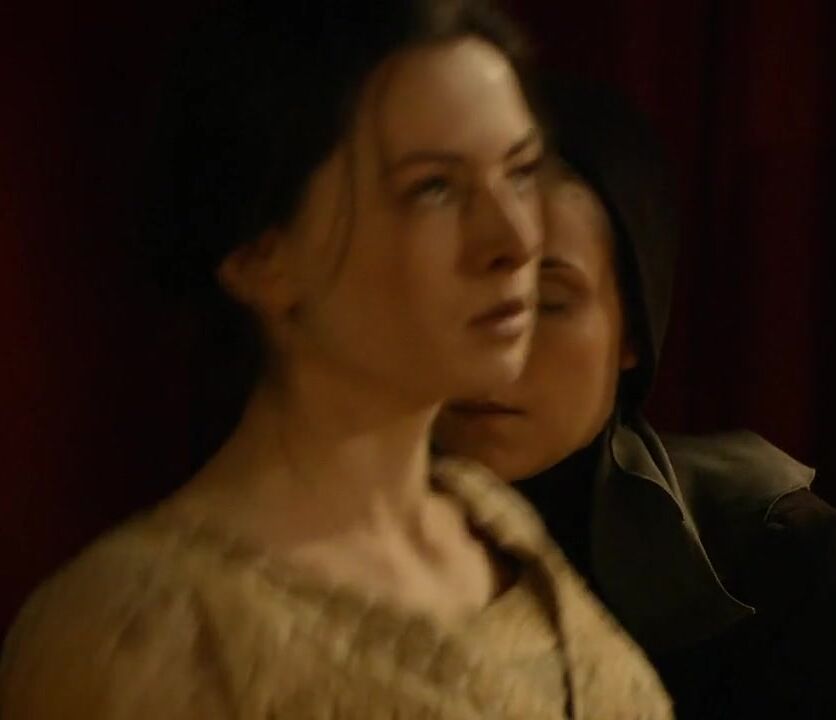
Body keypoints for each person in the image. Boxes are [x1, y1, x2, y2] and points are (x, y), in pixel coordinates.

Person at [0, 6, 672, 719]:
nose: (512, 239)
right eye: (433, 189)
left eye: (521, 172)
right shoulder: (141, 635)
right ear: (262, 256)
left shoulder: (494, 526)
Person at [435, 76, 836, 718]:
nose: (498, 351)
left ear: (631, 329)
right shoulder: (314, 540)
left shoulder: (778, 565)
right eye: (459, 293)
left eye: (549, 302)